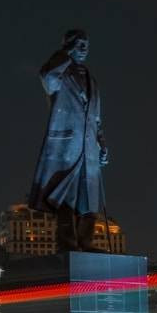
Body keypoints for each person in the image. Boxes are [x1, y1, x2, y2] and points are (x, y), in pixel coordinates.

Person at [28, 29, 109, 252]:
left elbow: (96, 118)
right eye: (79, 43)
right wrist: (64, 54)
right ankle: (67, 243)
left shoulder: (93, 81)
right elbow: (46, 76)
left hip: (89, 149)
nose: (84, 48)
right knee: (66, 196)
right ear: (69, 45)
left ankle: (86, 241)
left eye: (86, 44)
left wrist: (101, 144)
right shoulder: (61, 75)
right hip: (66, 148)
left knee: (89, 198)